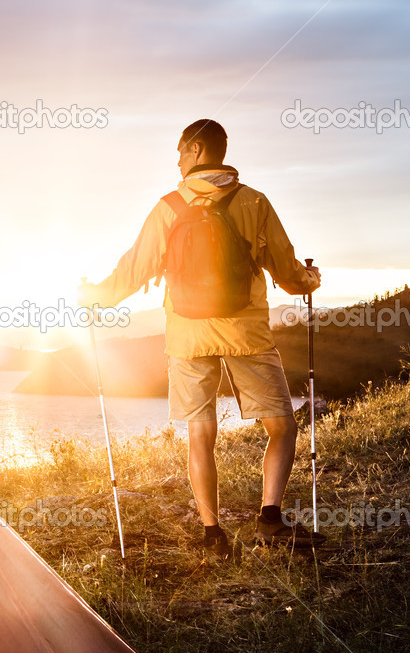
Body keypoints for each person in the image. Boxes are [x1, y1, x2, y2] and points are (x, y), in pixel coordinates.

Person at [79, 119, 324, 559]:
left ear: (196, 148)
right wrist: (310, 279)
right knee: (282, 426)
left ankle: (213, 535)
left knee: (200, 433)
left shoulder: (169, 207)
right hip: (246, 333)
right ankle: (270, 519)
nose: (176, 160)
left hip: (187, 336)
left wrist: (93, 295)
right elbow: (288, 274)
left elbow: (134, 271)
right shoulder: (254, 201)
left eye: (179, 151)